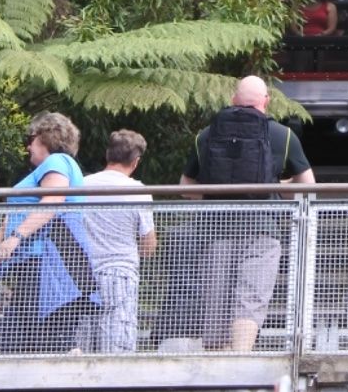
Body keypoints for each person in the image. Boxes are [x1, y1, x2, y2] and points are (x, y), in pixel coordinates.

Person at [180, 75, 314, 353]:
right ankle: (241, 357)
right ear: (266, 101)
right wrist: (279, 188)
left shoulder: (206, 135)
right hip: (262, 228)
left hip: (213, 230)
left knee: (216, 299)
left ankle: (218, 365)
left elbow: (186, 190)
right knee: (251, 296)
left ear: (233, 100)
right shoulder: (283, 136)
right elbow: (308, 187)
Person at [0, 112, 98, 354]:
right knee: (29, 335)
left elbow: (54, 198)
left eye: (31, 138)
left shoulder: (56, 161)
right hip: (41, 262)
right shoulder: (53, 167)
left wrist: (18, 237)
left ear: (46, 136)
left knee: (22, 338)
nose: (28, 145)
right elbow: (15, 218)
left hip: (46, 261)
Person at [78, 130, 157, 354]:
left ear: (107, 154)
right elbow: (148, 245)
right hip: (120, 273)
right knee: (117, 344)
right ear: (136, 162)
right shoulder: (138, 191)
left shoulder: (81, 185)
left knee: (83, 342)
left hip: (82, 273)